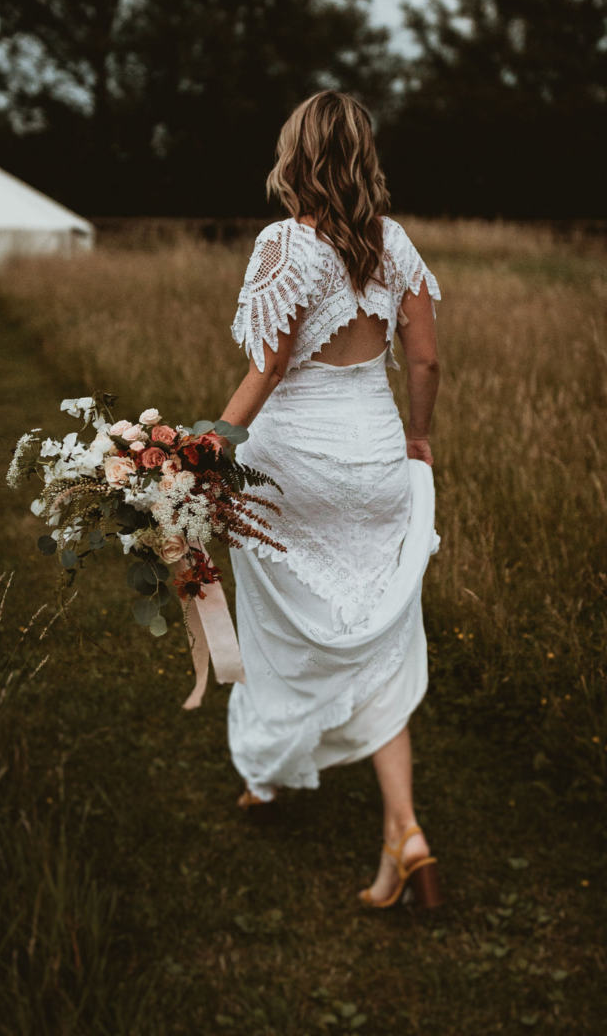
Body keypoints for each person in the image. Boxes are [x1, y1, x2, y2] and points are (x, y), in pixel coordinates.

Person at [218, 90, 443, 910]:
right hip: (377, 458)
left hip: (294, 466)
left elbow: (266, 370)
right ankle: (405, 828)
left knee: (280, 626)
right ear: (362, 155)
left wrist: (209, 448)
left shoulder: (283, 245)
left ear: (296, 157)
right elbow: (425, 363)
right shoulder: (396, 246)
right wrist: (417, 438)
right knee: (377, 634)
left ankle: (267, 776)